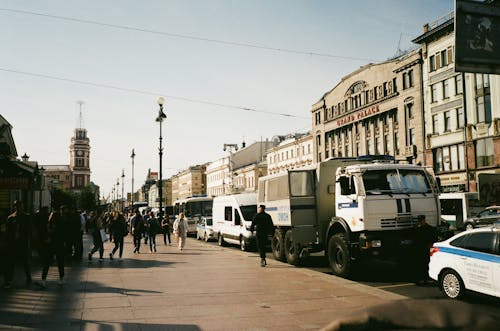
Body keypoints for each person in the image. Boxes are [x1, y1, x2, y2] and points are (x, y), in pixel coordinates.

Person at [3, 201, 32, 288]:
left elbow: (30, 230)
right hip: (13, 244)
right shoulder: (11, 218)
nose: (19, 208)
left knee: (25, 262)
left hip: (23, 243)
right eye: (18, 206)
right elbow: (7, 232)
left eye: (21, 206)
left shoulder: (27, 217)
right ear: (15, 207)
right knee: (11, 263)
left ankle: (28, 277)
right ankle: (9, 280)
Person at [37, 206, 68, 288]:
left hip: (52, 244)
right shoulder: (63, 221)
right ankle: (61, 279)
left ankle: (43, 280)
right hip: (60, 244)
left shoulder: (52, 224)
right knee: (60, 261)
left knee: (47, 262)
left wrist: (48, 237)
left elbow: (49, 231)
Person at [413, 215, 437, 285]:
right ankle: (423, 278)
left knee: (425, 264)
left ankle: (425, 278)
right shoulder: (420, 229)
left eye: (421, 220)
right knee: (422, 264)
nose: (420, 222)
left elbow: (433, 239)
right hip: (421, 249)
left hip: (425, 249)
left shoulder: (427, 229)